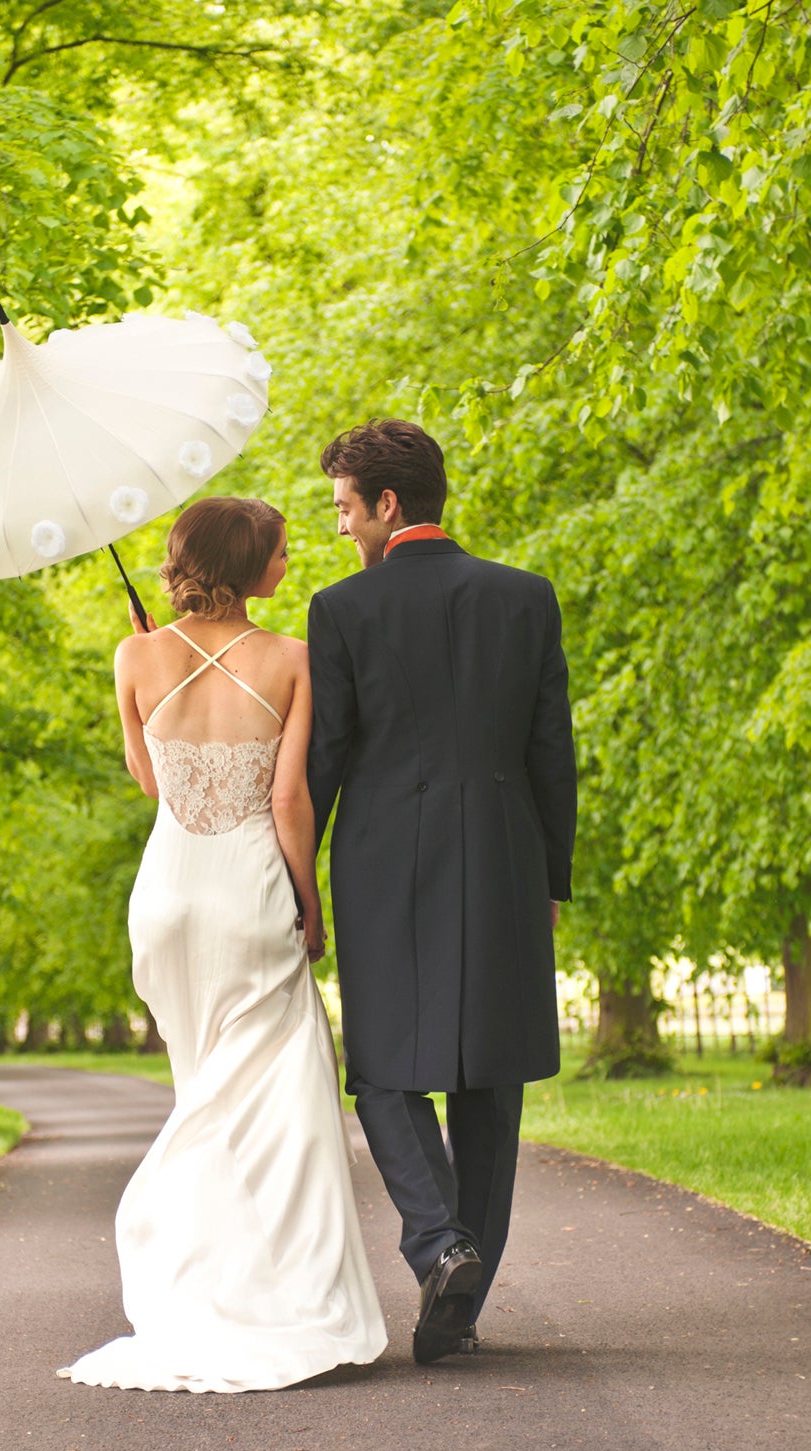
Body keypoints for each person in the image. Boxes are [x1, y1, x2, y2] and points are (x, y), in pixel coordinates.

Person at [62, 496, 387, 1393]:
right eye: (280, 553)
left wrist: (155, 668)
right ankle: (284, 1297)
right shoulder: (292, 659)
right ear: (247, 563)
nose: (289, 564)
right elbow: (288, 801)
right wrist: (308, 904)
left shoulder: (134, 653)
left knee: (204, 1086)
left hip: (167, 898)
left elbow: (147, 780)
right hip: (247, 892)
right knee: (280, 1102)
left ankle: (207, 1288)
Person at [307, 420, 577, 1365]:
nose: (341, 526)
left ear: (387, 505)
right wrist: (554, 876)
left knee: (384, 1068)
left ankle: (438, 1241)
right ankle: (459, 1302)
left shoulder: (340, 611)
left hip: (385, 861)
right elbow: (554, 751)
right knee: (490, 1078)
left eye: (345, 506)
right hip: (504, 853)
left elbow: (322, 762)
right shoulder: (526, 597)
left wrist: (296, 880)